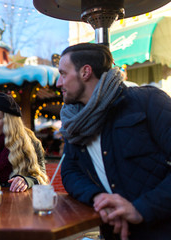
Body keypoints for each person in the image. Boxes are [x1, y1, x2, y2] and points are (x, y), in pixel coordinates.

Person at [57, 43, 171, 240]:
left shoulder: (148, 101)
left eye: (63, 74)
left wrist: (141, 209)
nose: (59, 83)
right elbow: (70, 171)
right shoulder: (75, 122)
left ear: (85, 72)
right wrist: (97, 197)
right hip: (113, 232)